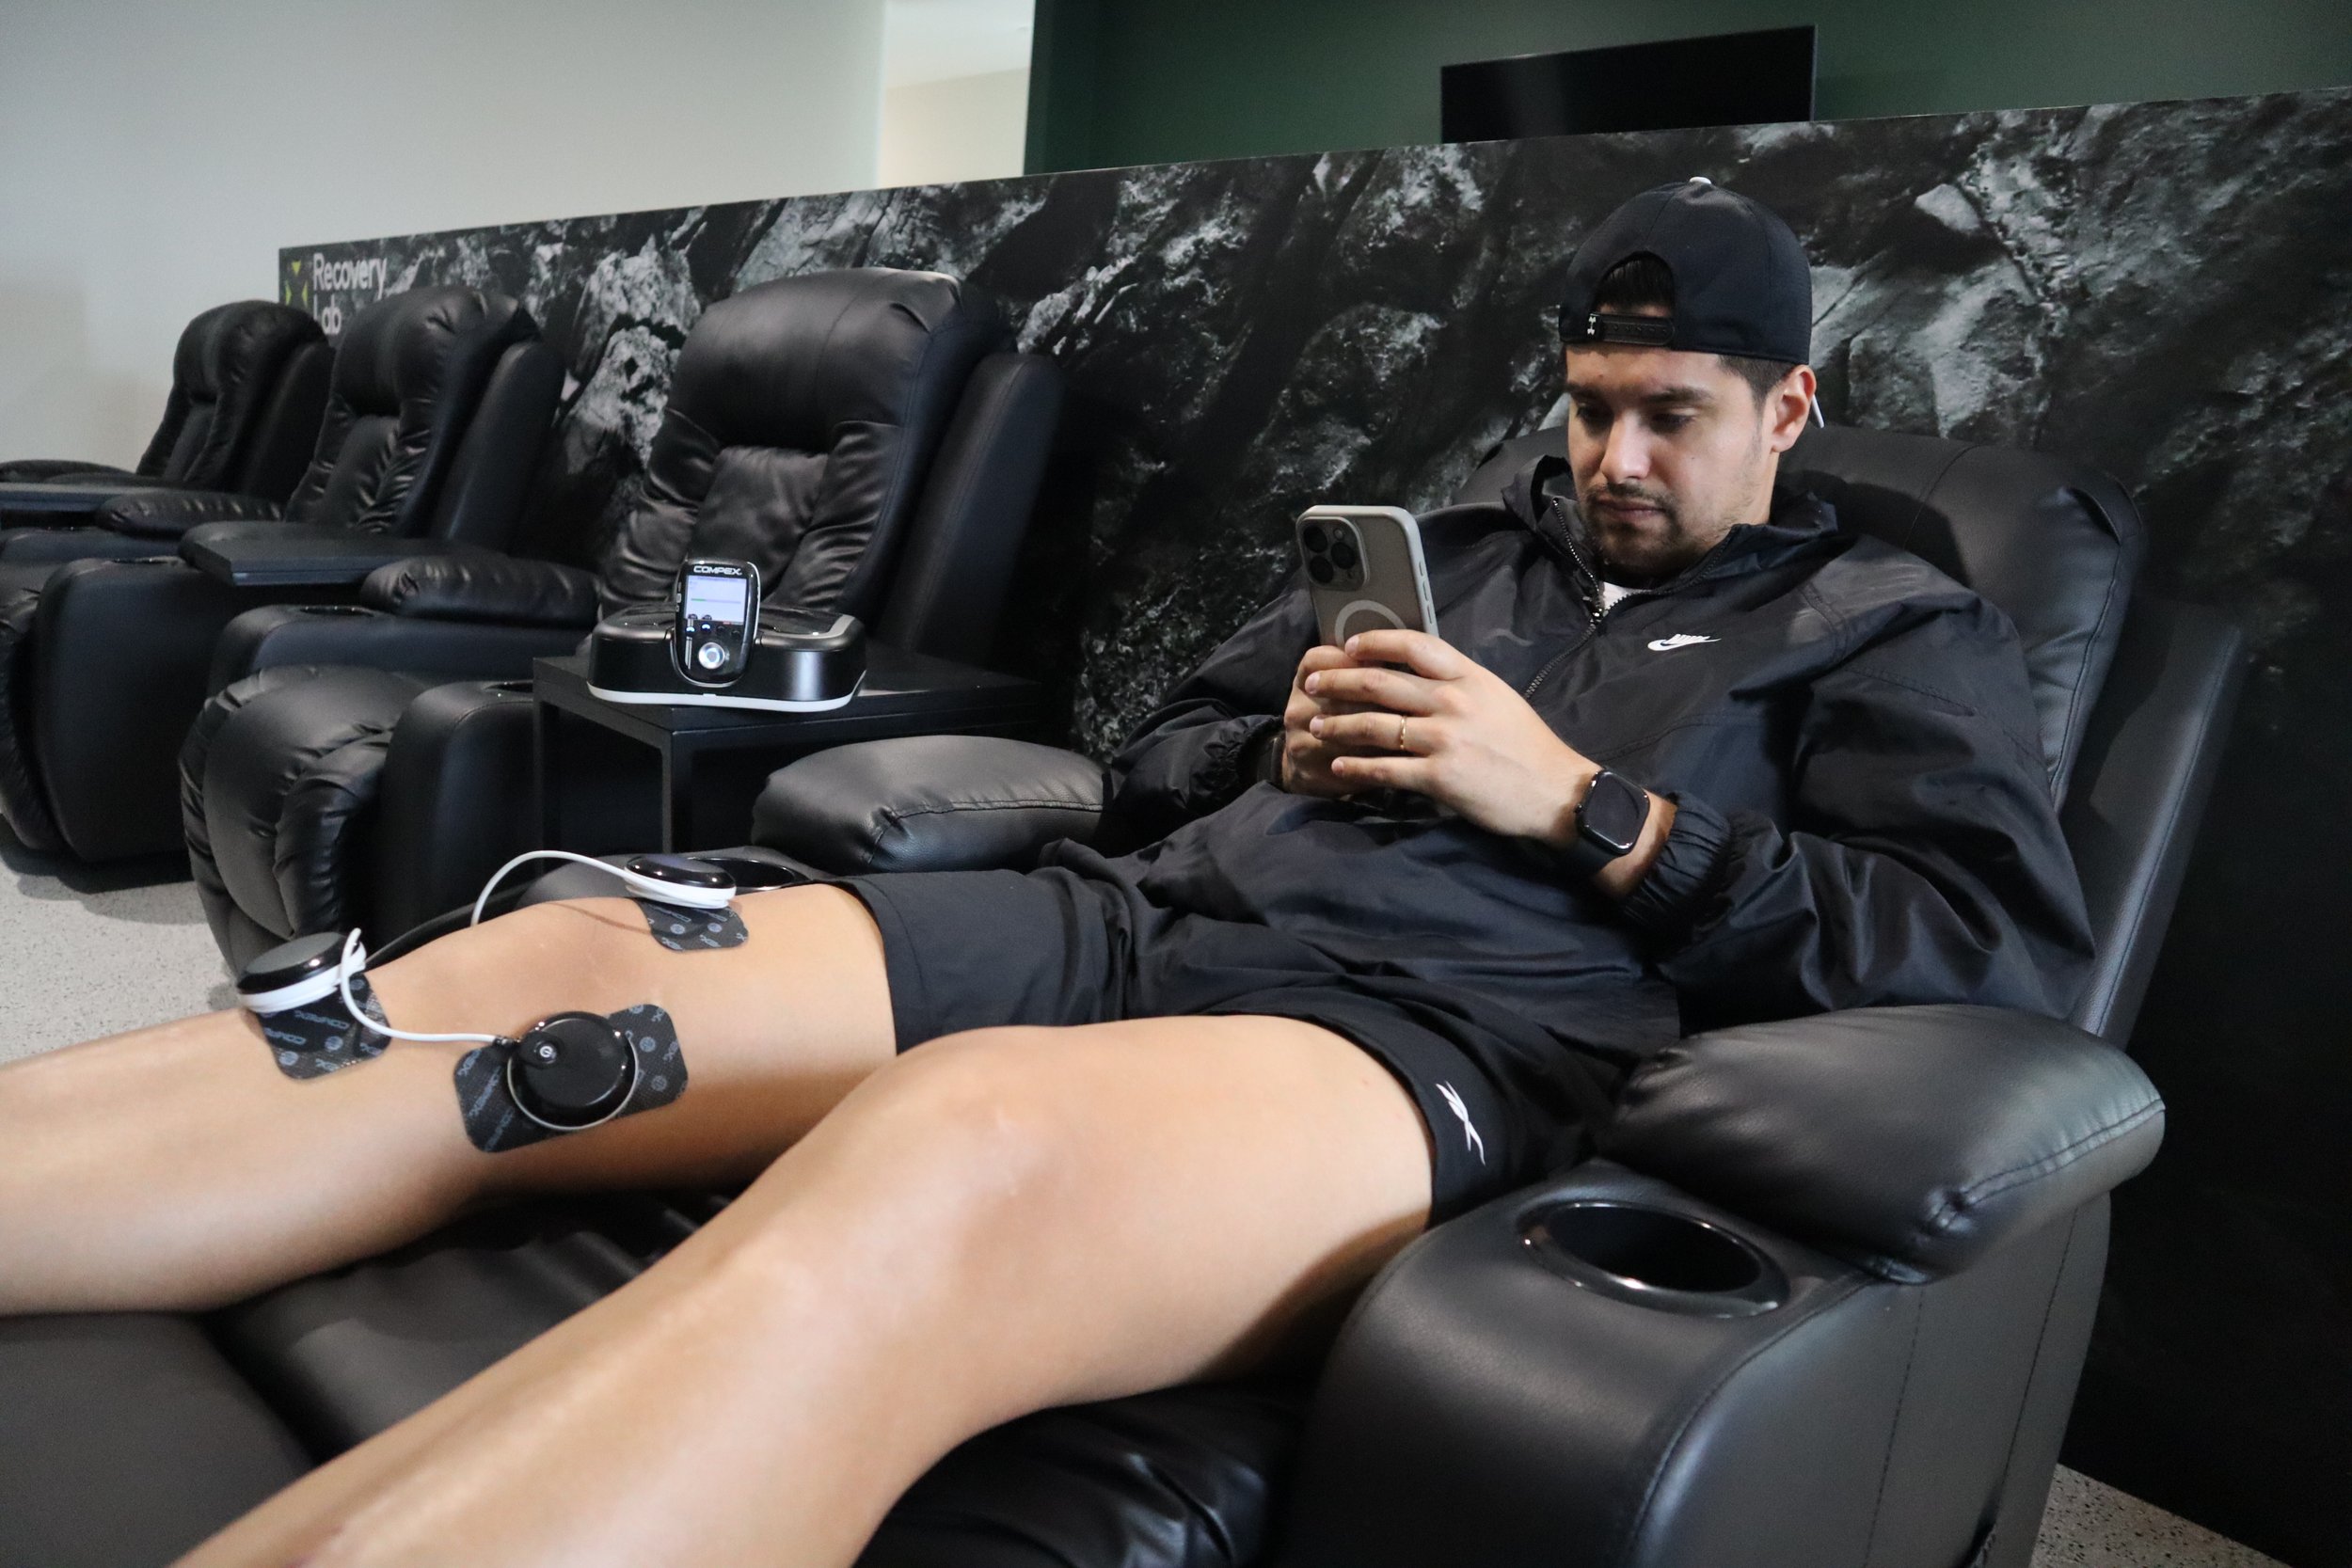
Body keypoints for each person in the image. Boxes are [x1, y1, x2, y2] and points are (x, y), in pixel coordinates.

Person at [0, 180, 2091, 1567]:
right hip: (1133, 923)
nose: (1609, 466)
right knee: (550, 976)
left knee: (957, 1147)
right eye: (1584, 414)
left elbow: (1986, 955)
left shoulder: (1894, 629)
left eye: (1669, 421)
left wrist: (1586, 808)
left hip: (1436, 1040)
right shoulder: (1452, 555)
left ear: (1789, 408)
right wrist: (1257, 742)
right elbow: (1148, 761)